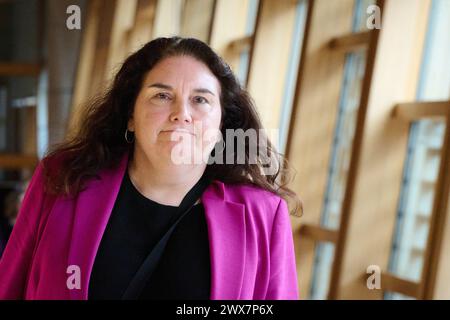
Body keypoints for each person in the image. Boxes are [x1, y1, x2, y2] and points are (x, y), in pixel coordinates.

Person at [0, 37, 301, 300]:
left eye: (200, 100)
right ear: (130, 115)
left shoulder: (263, 214)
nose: (181, 114)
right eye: (162, 96)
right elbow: (8, 287)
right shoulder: (63, 179)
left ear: (223, 124)